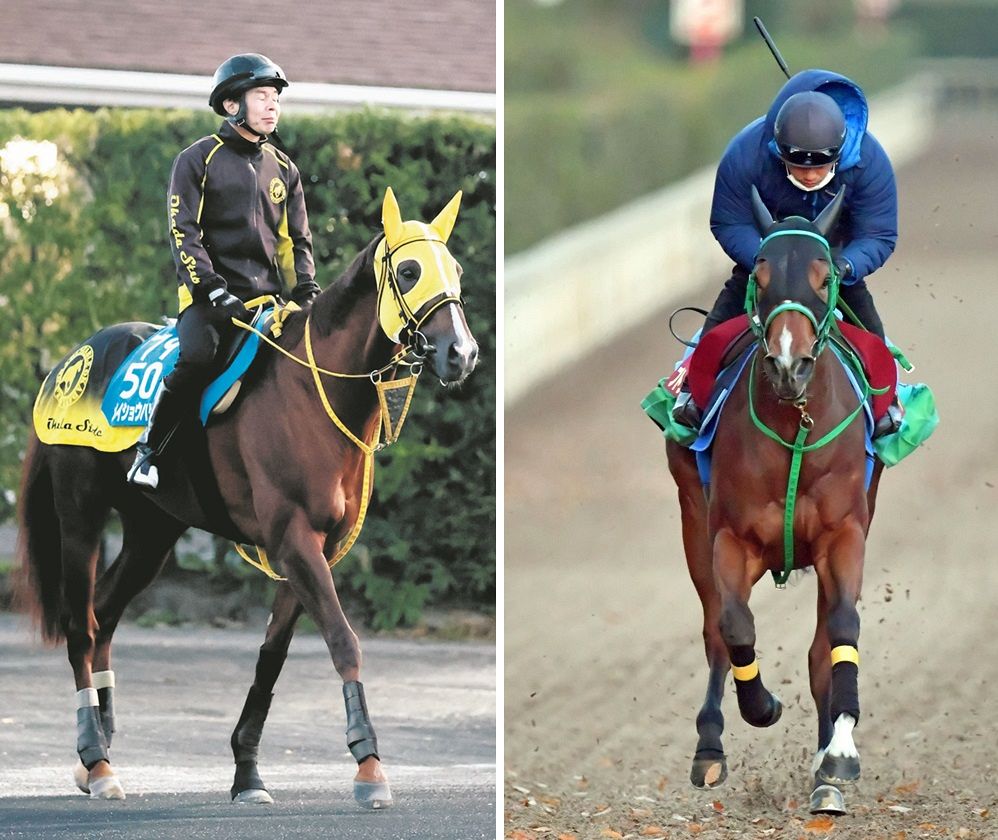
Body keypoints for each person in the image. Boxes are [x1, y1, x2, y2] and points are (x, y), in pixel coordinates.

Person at [672, 68, 903, 437]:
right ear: (779, 152)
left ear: (840, 154)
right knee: (719, 322)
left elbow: (878, 234)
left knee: (871, 331)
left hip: (829, 265)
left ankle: (887, 405)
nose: (810, 176)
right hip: (766, 262)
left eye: (822, 165)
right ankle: (691, 396)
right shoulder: (744, 154)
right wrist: (768, 262)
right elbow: (729, 223)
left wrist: (843, 266)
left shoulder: (869, 161)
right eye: (798, 165)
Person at [128, 53, 320, 489]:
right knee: (197, 358)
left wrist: (306, 288)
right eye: (262, 96)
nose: (273, 106)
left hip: (268, 305)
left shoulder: (285, 170)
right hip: (208, 303)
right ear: (232, 105)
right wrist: (211, 290)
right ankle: (148, 451)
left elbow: (296, 242)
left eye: (276, 98)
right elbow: (184, 232)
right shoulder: (196, 160)